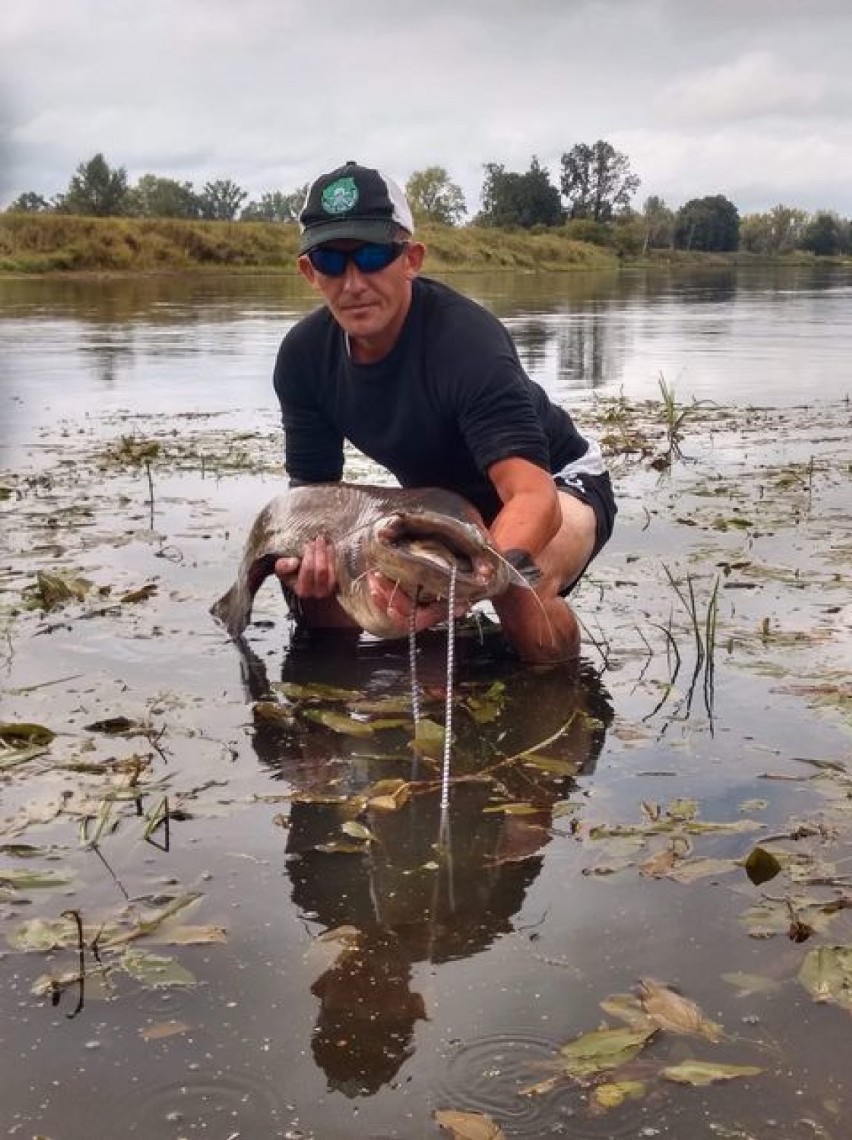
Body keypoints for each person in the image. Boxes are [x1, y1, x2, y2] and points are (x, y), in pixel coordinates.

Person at [272, 161, 616, 664]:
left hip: (558, 482)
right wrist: (320, 563)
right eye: (330, 260)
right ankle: (361, 702)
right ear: (309, 271)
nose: (353, 282)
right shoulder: (303, 358)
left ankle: (561, 704)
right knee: (316, 594)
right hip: (445, 507)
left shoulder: (465, 341)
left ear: (410, 258)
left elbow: (530, 495)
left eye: (371, 255)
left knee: (515, 586)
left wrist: (469, 582)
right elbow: (313, 501)